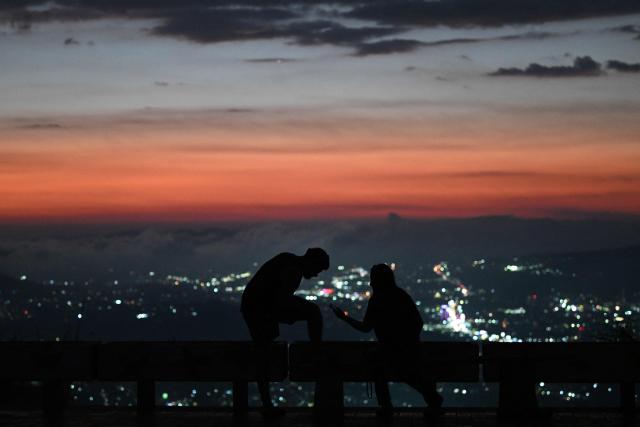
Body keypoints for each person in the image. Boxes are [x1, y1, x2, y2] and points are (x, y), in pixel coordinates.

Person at [331, 263, 443, 418]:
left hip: (392, 351)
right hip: (409, 350)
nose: (370, 284)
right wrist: (408, 341)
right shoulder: (401, 296)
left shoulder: (377, 300)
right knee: (407, 373)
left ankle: (386, 406)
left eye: (372, 280)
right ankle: (432, 398)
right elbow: (419, 322)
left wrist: (344, 318)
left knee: (379, 368)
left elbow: (365, 327)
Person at [241, 248, 329, 417]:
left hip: (257, 308)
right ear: (311, 263)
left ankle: (266, 405)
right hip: (260, 310)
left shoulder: (288, 260)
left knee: (264, 355)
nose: (316, 275)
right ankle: (316, 350)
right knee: (313, 312)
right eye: (317, 270)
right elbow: (280, 300)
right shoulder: (294, 272)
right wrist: (298, 312)